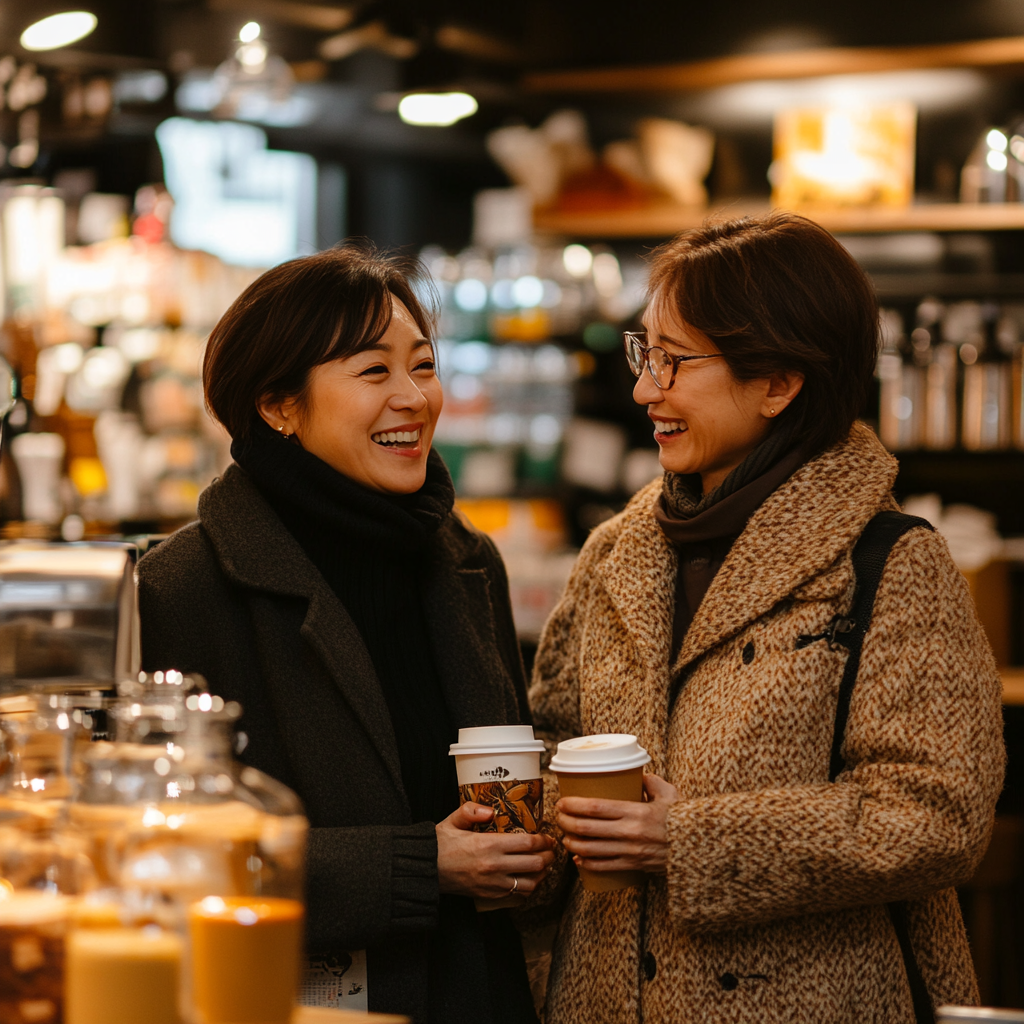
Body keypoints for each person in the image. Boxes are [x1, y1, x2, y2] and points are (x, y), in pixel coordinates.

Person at [527, 212, 1005, 1024]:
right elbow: (552, 741)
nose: (645, 388)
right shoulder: (615, 554)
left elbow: (937, 812)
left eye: (675, 362)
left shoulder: (889, 561)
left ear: (779, 382)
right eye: (646, 353)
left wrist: (695, 840)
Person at [137, 244, 553, 1024]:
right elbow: (171, 850)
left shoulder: (467, 563)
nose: (413, 398)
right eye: (373, 372)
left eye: (423, 366)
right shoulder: (183, 588)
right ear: (277, 405)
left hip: (478, 993)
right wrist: (419, 865)